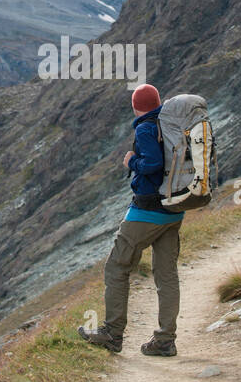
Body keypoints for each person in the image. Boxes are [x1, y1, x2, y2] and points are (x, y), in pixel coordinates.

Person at [78, 82, 184, 357]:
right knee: (166, 275)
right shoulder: (171, 124)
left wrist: (131, 162)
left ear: (136, 106)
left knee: (116, 267)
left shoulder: (146, 128)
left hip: (147, 210)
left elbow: (152, 164)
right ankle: (165, 340)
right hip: (174, 210)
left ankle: (112, 334)